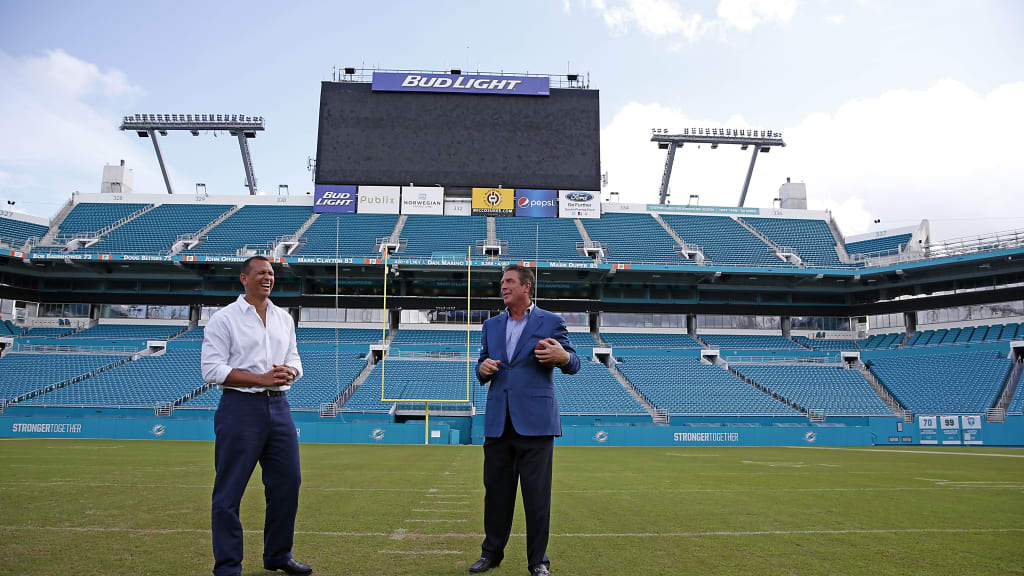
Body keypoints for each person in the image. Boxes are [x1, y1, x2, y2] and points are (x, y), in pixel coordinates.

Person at [201, 255, 312, 576]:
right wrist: (261, 378)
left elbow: (295, 358)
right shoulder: (224, 319)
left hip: (279, 407)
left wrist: (291, 371)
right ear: (244, 278)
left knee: (288, 483)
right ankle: (228, 566)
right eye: (261, 272)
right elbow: (212, 370)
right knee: (229, 489)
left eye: (271, 273)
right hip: (240, 407)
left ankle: (278, 555)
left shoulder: (283, 318)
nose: (268, 277)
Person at [470, 264, 580, 576]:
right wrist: (482, 369)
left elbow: (573, 362)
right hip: (499, 423)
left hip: (536, 423)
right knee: (496, 496)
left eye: (508, 281)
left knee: (537, 498)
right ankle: (491, 555)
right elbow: (481, 364)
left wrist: (563, 358)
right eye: (501, 282)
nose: (502, 286)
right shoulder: (491, 325)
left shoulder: (551, 322)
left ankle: (538, 561)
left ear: (526, 287)